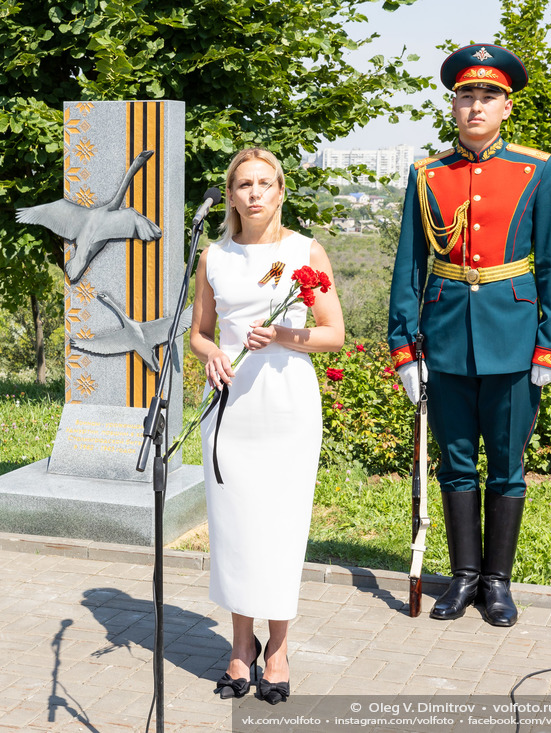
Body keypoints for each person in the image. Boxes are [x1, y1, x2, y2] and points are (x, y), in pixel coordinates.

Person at [388, 44, 551, 626]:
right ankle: (464, 577)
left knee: (506, 467)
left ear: (506, 107)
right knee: (456, 463)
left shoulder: (534, 170)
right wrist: (404, 347)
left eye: (487, 96)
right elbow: (408, 268)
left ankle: (498, 583)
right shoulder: (427, 174)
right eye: (466, 95)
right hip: (443, 341)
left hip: (513, 339)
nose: (475, 106)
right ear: (454, 103)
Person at [189, 148, 344, 703]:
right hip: (230, 408)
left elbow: (332, 333)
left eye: (265, 183)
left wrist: (278, 334)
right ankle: (239, 644)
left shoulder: (303, 252)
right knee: (233, 528)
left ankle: (276, 647)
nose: (254, 192)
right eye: (243, 184)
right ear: (229, 195)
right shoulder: (213, 256)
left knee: (279, 527)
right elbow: (200, 332)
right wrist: (210, 354)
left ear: (280, 191)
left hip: (285, 405)